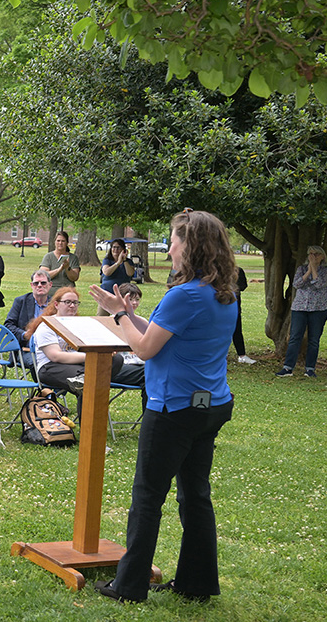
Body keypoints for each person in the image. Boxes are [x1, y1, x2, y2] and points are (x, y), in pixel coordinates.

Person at [86, 209, 237, 604]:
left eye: (174, 240)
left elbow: (146, 348)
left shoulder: (183, 294)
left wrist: (119, 315)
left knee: (148, 496)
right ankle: (197, 583)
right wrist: (132, 314)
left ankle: (128, 586)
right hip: (211, 406)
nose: (169, 248)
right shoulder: (223, 292)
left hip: (173, 408)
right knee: (195, 495)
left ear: (192, 246)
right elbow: (169, 336)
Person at [28, 286, 147, 415]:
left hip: (85, 366)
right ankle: (88, 433)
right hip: (52, 367)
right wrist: (91, 356)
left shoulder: (81, 324)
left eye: (75, 302)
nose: (72, 306)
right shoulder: (47, 325)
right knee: (89, 383)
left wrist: (105, 352)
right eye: (67, 302)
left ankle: (151, 424)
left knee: (133, 367)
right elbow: (55, 356)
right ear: (56, 304)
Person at [276, 245, 327, 378]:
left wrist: (314, 269)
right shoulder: (301, 269)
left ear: (322, 256)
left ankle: (310, 369)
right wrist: (309, 270)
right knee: (295, 337)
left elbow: (318, 284)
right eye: (310, 254)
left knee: (314, 339)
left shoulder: (326, 271)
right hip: (300, 308)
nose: (312, 257)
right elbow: (297, 284)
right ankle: (288, 368)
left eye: (316, 254)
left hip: (318, 309)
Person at [5, 269, 53, 352]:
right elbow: (8, 326)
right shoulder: (21, 301)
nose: (39, 285)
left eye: (43, 283)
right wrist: (24, 334)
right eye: (36, 283)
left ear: (50, 284)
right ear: (32, 285)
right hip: (26, 349)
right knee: (38, 363)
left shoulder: (55, 304)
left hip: (51, 347)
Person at [41, 231, 81, 299]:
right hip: (51, 293)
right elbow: (44, 276)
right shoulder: (48, 257)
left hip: (68, 292)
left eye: (63, 241)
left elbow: (75, 277)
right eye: (58, 241)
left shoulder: (73, 258)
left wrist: (67, 267)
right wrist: (59, 269)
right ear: (55, 242)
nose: (60, 243)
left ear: (67, 243)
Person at [98, 237, 133, 302]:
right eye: (114, 247)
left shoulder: (128, 262)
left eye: (118, 247)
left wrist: (124, 260)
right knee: (101, 312)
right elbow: (107, 272)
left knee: (122, 312)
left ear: (123, 250)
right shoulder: (107, 260)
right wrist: (118, 263)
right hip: (107, 293)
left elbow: (130, 273)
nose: (115, 249)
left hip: (123, 294)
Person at [233, 266, 255, 364]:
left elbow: (243, 286)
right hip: (218, 306)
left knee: (237, 330)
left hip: (234, 306)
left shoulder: (237, 270)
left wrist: (233, 285)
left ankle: (242, 355)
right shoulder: (214, 271)